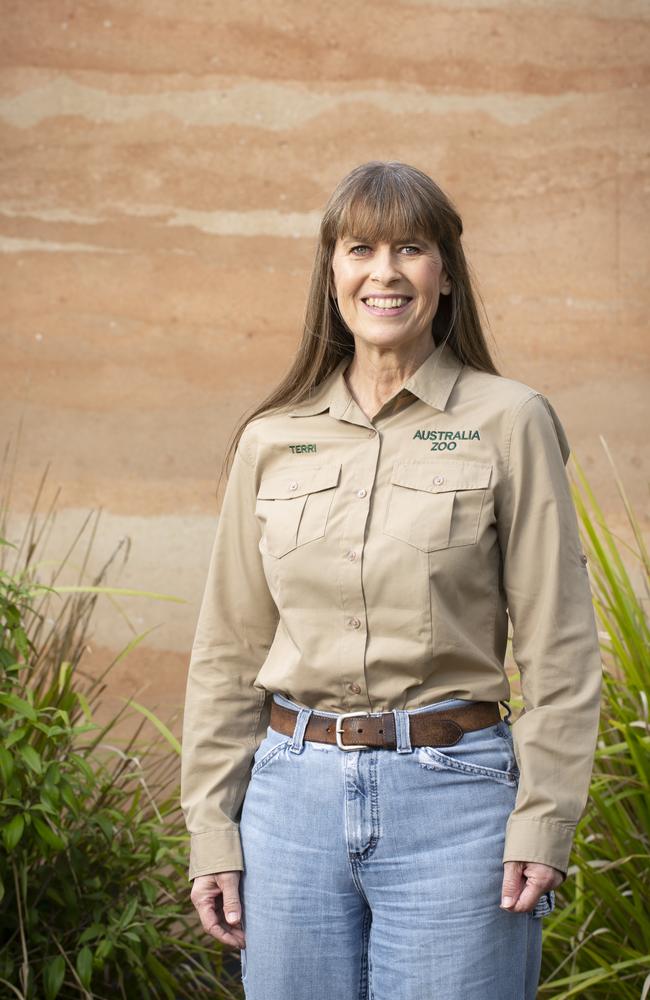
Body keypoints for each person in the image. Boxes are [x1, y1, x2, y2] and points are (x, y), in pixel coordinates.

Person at [180, 161, 602, 999]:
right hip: (288, 803)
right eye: (361, 248)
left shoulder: (509, 421)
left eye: (412, 248)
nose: (385, 271)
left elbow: (559, 642)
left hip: (457, 807)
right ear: (331, 271)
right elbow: (229, 649)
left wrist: (544, 819)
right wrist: (212, 833)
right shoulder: (273, 440)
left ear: (444, 275)